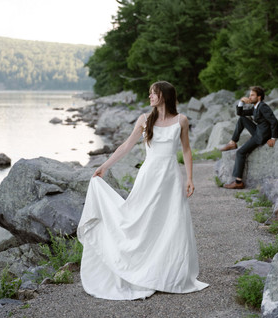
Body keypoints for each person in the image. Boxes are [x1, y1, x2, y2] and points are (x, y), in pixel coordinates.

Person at [77, 81, 208, 300]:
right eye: (149, 94)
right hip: (149, 176)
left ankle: (169, 272)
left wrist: (190, 178)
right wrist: (104, 166)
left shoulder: (181, 120)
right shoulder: (144, 120)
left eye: (153, 94)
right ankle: (139, 267)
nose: (150, 97)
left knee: (172, 223)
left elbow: (186, 150)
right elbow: (126, 146)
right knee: (140, 220)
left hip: (170, 178)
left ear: (163, 96)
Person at [220, 86, 278, 189]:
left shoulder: (263, 107)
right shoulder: (256, 107)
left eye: (252, 95)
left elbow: (274, 121)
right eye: (249, 95)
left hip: (261, 136)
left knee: (240, 152)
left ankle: (238, 182)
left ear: (259, 97)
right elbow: (240, 113)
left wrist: (273, 138)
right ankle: (232, 142)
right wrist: (241, 101)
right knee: (242, 119)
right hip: (258, 131)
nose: (250, 97)